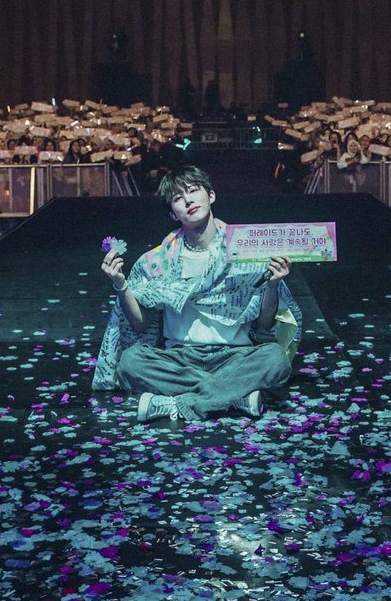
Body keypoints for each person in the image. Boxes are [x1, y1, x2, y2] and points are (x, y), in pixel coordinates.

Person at [94, 166, 301, 423]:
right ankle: (232, 397)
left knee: (275, 358)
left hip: (234, 356)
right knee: (130, 362)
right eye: (178, 198)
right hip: (180, 358)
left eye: (193, 191)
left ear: (211, 195)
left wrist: (272, 285)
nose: (188, 200)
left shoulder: (245, 250)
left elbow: (265, 323)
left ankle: (178, 403)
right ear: (173, 213)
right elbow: (139, 324)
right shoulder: (158, 261)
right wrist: (120, 284)